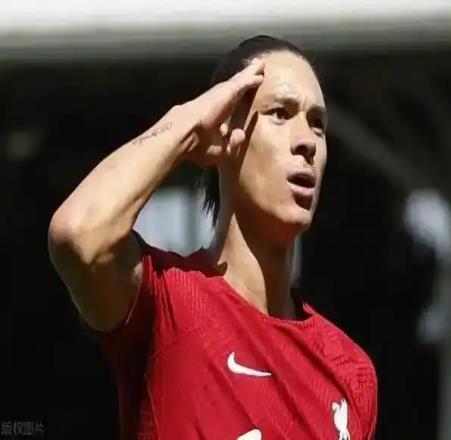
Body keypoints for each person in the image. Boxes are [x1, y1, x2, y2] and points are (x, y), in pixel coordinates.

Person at [48, 35, 377, 440]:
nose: (307, 141)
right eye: (280, 113)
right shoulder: (166, 304)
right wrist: (187, 124)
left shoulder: (350, 372)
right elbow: (78, 234)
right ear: (226, 130)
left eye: (318, 124)